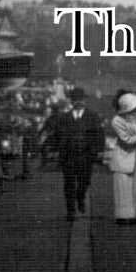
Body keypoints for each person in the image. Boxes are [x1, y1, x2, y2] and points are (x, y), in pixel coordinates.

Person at [54, 87, 105, 222]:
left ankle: (80, 197)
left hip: (86, 156)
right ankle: (70, 211)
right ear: (71, 102)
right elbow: (57, 135)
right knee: (69, 184)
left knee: (84, 182)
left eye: (80, 100)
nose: (78, 103)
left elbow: (99, 135)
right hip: (69, 156)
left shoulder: (92, 116)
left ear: (84, 101)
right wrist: (56, 150)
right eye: (75, 100)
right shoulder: (64, 118)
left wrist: (99, 151)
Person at [109, 90, 136, 225]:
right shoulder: (117, 121)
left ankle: (132, 214)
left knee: (134, 188)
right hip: (123, 157)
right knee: (123, 188)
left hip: (134, 159)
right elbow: (127, 140)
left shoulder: (135, 119)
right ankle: (122, 215)